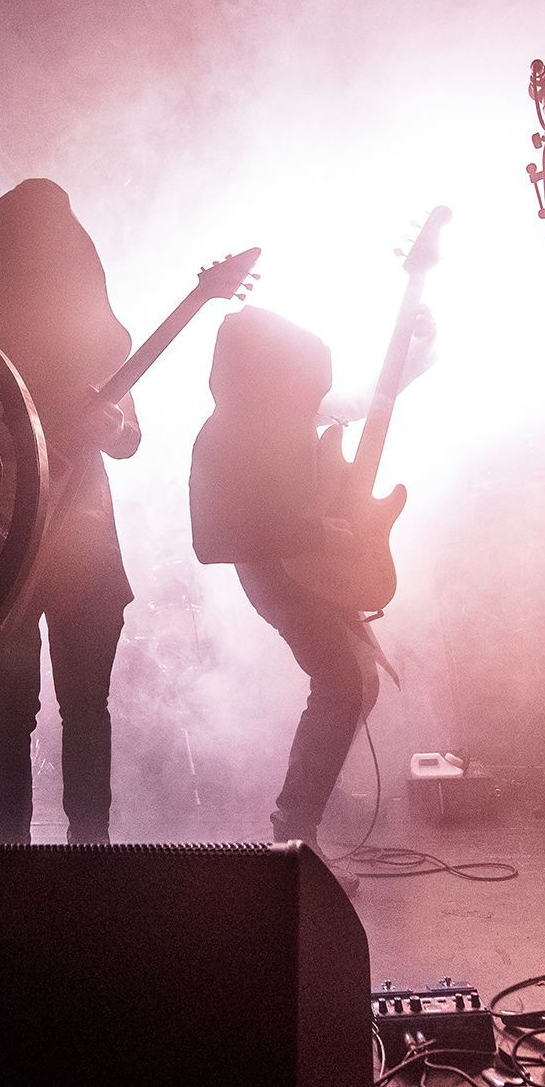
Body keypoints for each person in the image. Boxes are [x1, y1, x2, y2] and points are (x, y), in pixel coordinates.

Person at [0, 178, 140, 845]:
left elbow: (130, 436)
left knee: (82, 706)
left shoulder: (90, 333)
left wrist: (110, 426)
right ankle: (6, 859)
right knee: (12, 709)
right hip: (1, 544)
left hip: (83, 543)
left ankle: (86, 853)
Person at [188, 305, 432, 892]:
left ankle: (308, 805)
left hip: (318, 566)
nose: (311, 393)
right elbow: (211, 541)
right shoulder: (221, 436)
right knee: (344, 684)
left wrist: (413, 346)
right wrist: (314, 534)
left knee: (357, 684)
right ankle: (295, 833)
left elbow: (365, 401)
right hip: (272, 574)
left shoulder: (291, 410)